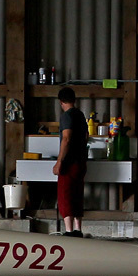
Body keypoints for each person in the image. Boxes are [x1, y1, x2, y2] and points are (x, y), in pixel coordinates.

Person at [52, 87, 88, 236]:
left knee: (65, 194)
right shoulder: (80, 115)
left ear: (61, 102)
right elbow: (86, 136)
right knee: (77, 194)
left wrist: (59, 161)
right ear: (74, 100)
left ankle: (68, 231)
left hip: (70, 162)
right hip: (81, 161)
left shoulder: (66, 116)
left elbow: (66, 138)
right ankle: (78, 229)